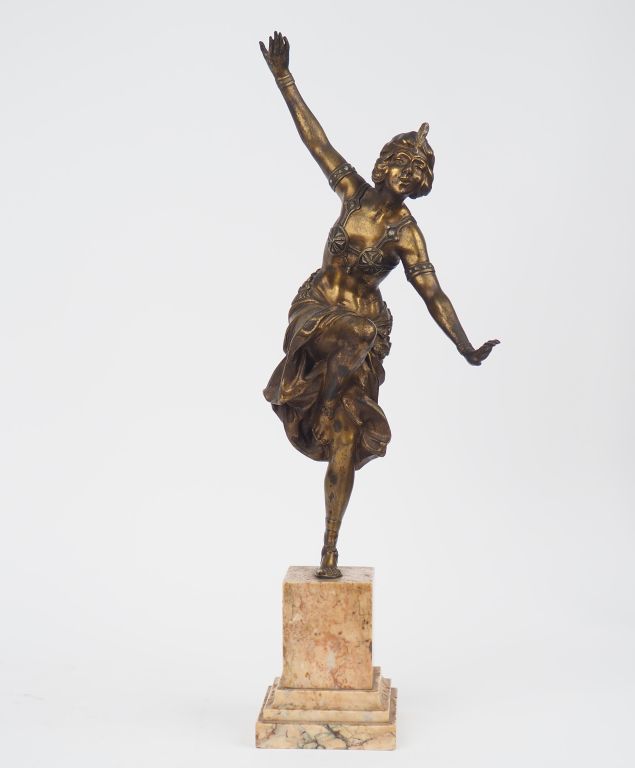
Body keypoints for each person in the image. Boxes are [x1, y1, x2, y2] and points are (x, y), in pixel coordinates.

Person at [260, 32, 499, 578]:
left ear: (421, 183)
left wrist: (464, 345)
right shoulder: (351, 191)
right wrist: (285, 78)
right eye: (401, 161)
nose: (407, 172)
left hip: (364, 334)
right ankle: (324, 402)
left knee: (346, 440)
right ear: (386, 162)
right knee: (353, 333)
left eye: (417, 169)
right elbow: (314, 138)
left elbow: (433, 293)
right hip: (318, 310)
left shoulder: (405, 233)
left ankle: (329, 548)